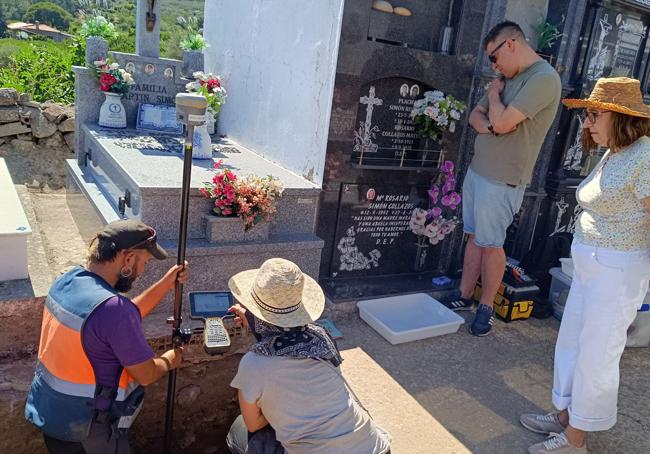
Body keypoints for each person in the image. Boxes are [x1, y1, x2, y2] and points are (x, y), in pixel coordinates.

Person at [520, 77, 650, 454]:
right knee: (573, 342)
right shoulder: (617, 152)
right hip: (592, 267)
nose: (587, 123)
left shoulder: (644, 156)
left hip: (618, 272)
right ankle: (566, 415)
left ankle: (576, 439)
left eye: (594, 114)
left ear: (621, 117)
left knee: (597, 354)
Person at [440, 21, 561, 336]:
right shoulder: (509, 76)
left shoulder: (544, 79)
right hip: (479, 170)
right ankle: (465, 295)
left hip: (503, 178)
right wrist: (495, 120)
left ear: (511, 44)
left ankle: (487, 307)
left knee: (491, 244)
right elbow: (474, 118)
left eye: (494, 58)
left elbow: (503, 122)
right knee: (473, 236)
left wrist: (494, 97)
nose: (493, 66)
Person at [24, 219, 187, 454]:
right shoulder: (115, 311)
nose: (141, 272)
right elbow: (147, 374)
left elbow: (111, 322)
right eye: (145, 262)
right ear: (128, 260)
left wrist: (164, 285)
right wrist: (171, 359)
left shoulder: (67, 280)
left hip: (51, 415)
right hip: (90, 435)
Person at [225, 258, 391, 454]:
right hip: (375, 448)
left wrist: (282, 412)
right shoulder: (322, 339)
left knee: (239, 431)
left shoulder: (254, 364)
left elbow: (254, 424)